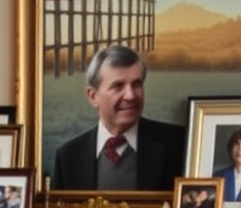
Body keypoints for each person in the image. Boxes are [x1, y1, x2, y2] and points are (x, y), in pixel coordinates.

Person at [50, 44, 186, 192]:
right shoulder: (68, 157)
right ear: (93, 96)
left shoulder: (179, 143)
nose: (131, 95)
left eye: (137, 84)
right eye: (118, 86)